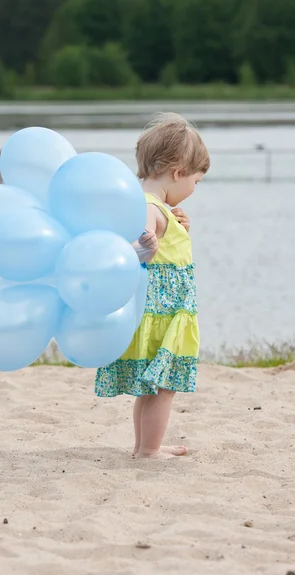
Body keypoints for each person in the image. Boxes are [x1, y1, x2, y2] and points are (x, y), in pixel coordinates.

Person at [95, 113, 210, 459]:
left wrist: (179, 231)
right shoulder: (149, 207)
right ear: (177, 172)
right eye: (196, 180)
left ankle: (144, 446)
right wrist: (143, 248)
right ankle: (149, 450)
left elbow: (160, 245)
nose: (194, 188)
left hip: (158, 310)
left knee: (150, 389)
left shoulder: (154, 204)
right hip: (163, 312)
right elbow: (138, 246)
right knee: (163, 388)